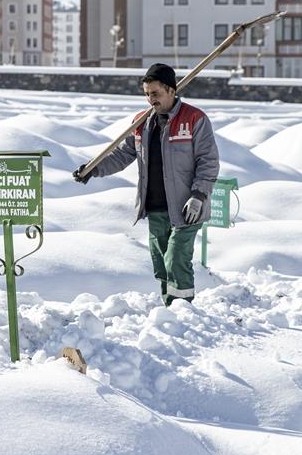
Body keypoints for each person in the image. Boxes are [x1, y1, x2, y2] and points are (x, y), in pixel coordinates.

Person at [73, 63, 220, 305]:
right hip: (155, 207)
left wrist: (199, 195)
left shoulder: (194, 119)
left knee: (176, 258)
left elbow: (209, 161)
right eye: (147, 94)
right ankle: (169, 306)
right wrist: (93, 169)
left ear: (172, 91)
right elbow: (122, 155)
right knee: (161, 262)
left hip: (187, 206)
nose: (150, 100)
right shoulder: (141, 123)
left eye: (155, 94)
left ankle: (183, 310)